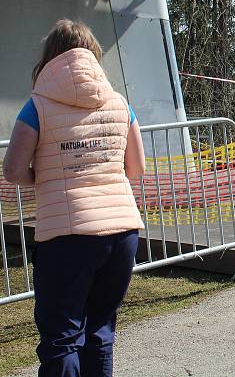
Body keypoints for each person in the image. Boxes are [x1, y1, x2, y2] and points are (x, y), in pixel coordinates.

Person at [2, 19, 146, 377]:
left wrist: (44, 178)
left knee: (62, 338)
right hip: (122, 231)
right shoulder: (118, 103)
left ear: (50, 57)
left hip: (67, 236)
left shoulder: (38, 105)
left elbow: (13, 169)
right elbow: (136, 168)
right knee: (100, 332)